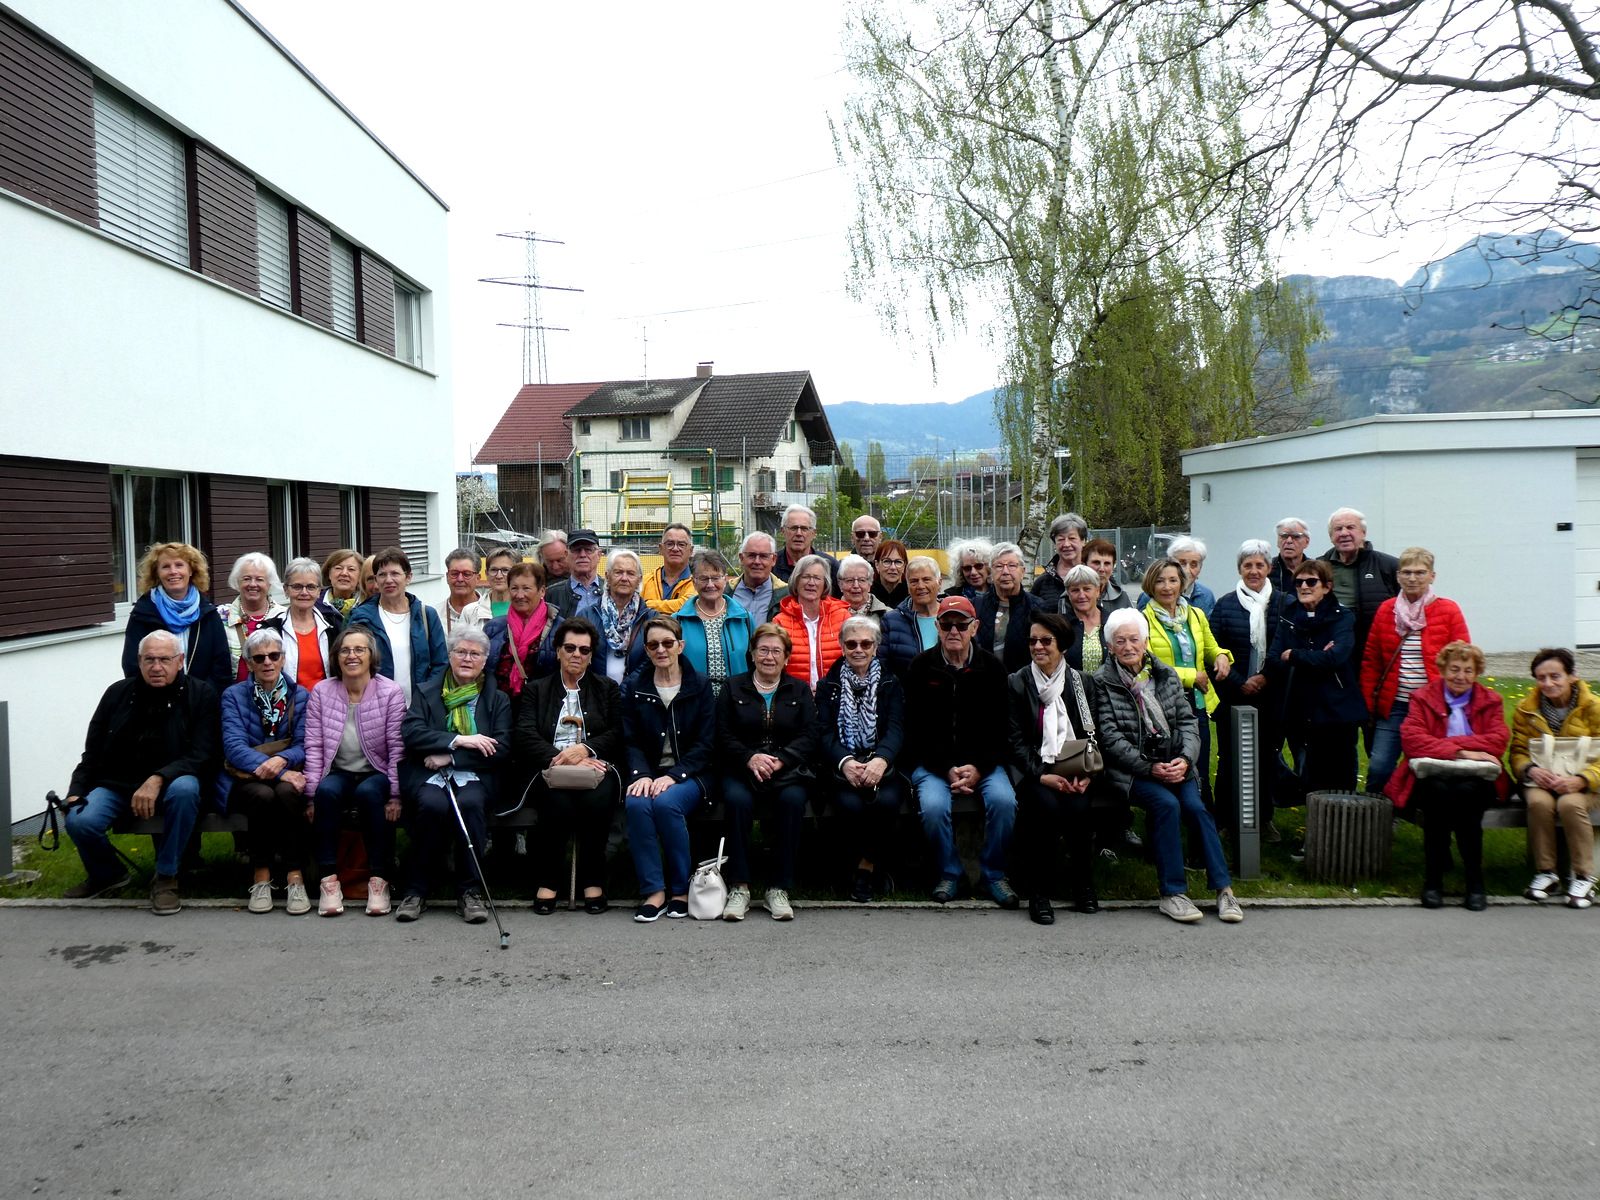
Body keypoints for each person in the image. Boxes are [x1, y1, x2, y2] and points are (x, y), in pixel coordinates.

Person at [1093, 610, 1243, 924]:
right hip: (1132, 772)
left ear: (1146, 642)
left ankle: (1224, 890)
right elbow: (1109, 738)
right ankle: (1172, 893)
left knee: (1196, 808)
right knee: (1166, 805)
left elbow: (1188, 723)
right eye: (1120, 641)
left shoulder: (1166, 675)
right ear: (1110, 647)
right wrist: (1150, 768)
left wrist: (1185, 760)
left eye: (1134, 639)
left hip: (1175, 764)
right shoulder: (1102, 682)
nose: (1129, 646)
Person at [63, 630, 220, 914]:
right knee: (79, 821)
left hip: (175, 784)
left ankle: (167, 877)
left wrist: (158, 778)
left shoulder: (201, 694)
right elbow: (93, 751)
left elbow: (203, 754)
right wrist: (75, 792)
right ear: (138, 661)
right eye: (149, 660)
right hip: (117, 785)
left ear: (180, 661)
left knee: (186, 789)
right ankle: (108, 875)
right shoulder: (117, 693)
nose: (156, 667)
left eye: (164, 659)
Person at [904, 595, 1018, 907]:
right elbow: (914, 729)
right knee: (932, 807)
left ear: (975, 627)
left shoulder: (993, 669)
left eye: (961, 624)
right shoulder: (920, 667)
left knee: (1004, 802)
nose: (953, 631)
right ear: (937, 627)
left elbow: (1000, 729)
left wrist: (978, 767)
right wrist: (946, 768)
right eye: (946, 624)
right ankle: (949, 872)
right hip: (934, 765)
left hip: (984, 764)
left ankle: (993, 874)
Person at [395, 626, 513, 924]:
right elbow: (411, 733)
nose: (467, 658)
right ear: (450, 655)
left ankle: (469, 891)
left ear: (485, 660)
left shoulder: (496, 698)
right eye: (461, 651)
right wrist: (458, 740)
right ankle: (417, 890)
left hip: (476, 775)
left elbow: (501, 749)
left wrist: (451, 755)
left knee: (471, 805)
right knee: (432, 805)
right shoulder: (427, 691)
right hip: (429, 774)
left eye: (475, 654)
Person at [1384, 642, 1508, 911]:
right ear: (1442, 669)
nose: (1460, 676)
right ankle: (1434, 881)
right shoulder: (1422, 697)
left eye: (1467, 670)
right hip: (1431, 777)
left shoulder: (1491, 700)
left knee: (1465, 795)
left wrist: (1445, 746)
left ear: (1476, 673)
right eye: (1454, 669)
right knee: (1438, 794)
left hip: (1477, 782)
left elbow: (1498, 741)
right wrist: (1466, 752)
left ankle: (1473, 882)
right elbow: (1413, 740)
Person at [514, 617, 623, 915]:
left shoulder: (607, 689)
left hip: (595, 766)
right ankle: (548, 880)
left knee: (597, 801)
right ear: (558, 650)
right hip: (549, 767)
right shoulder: (537, 690)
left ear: (591, 655)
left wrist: (586, 750)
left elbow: (616, 732)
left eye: (584, 650)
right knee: (557, 804)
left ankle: (592, 879)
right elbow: (524, 732)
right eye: (570, 648)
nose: (577, 654)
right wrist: (558, 757)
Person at [1008, 612, 1106, 925]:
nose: (1038, 646)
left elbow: (1094, 731)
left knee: (1079, 809)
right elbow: (1015, 740)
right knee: (1045, 808)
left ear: (1061, 645)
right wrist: (1041, 774)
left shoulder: (1081, 682)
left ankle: (1083, 884)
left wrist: (1085, 774)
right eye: (1033, 640)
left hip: (1073, 764)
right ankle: (1039, 892)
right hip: (1035, 768)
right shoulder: (1018, 682)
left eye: (1046, 641)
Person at [303, 626, 407, 917]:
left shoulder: (389, 692)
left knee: (370, 794)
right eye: (345, 650)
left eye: (359, 649)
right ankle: (329, 880)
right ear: (336, 657)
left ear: (371, 655)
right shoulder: (322, 692)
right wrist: (310, 796)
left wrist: (396, 795)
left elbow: (397, 748)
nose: (352, 655)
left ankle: (379, 879)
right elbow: (313, 745)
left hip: (377, 771)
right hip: (338, 771)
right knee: (326, 793)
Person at [716, 623, 817, 921]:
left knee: (793, 801)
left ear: (786, 657)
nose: (769, 657)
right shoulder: (733, 687)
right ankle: (740, 887)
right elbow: (722, 733)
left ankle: (778, 887)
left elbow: (810, 734)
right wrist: (749, 757)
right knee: (737, 802)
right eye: (763, 650)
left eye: (776, 651)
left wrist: (782, 759)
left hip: (788, 771)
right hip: (742, 769)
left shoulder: (798, 689)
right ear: (752, 654)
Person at [621, 616, 716, 922]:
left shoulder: (700, 686)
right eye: (653, 645)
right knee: (636, 804)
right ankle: (654, 890)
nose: (660, 649)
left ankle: (679, 889)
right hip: (649, 771)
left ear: (680, 645)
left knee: (665, 804)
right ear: (646, 650)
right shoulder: (636, 686)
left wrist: (674, 776)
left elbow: (706, 744)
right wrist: (643, 775)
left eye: (667, 643)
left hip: (692, 773)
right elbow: (630, 739)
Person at [1359, 547, 1471, 796]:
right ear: (1398, 576)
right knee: (1379, 767)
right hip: (1394, 704)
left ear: (1432, 576)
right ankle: (1376, 818)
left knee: (1433, 766)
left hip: (1434, 706)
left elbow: (1465, 660)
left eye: (1420, 572)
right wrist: (1369, 703)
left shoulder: (1449, 610)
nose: (1412, 578)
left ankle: (1423, 813)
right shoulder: (1386, 610)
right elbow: (1371, 662)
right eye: (1407, 572)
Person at [815, 615, 907, 902]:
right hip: (844, 764)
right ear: (842, 646)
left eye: (866, 643)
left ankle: (866, 868)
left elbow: (896, 727)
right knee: (849, 804)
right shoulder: (829, 684)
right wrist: (845, 762)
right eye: (851, 643)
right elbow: (824, 732)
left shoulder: (891, 681)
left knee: (888, 802)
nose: (858, 649)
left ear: (876, 646)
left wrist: (881, 760)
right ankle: (854, 868)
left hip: (882, 764)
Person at [221, 628, 311, 915]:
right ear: (249, 662)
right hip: (247, 778)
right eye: (259, 658)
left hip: (288, 771)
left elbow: (305, 743)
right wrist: (279, 770)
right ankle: (261, 874)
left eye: (274, 655)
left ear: (283, 659)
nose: (267, 663)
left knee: (288, 793)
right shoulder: (233, 696)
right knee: (262, 795)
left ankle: (295, 875)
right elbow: (234, 747)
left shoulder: (301, 695)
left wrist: (282, 761)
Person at [1267, 558, 1368, 803]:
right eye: (1299, 582)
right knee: (1313, 777)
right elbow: (1274, 659)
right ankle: (1317, 835)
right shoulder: (1289, 616)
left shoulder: (1342, 617)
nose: (1304, 586)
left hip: (1337, 709)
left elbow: (1336, 656)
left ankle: (1343, 833)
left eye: (1311, 581)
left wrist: (1295, 655)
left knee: (1342, 776)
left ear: (1327, 586)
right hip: (1303, 708)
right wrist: (1317, 655)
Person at [1208, 540, 1288, 839]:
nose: (1253, 571)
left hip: (1271, 694)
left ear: (1269, 568)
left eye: (1259, 565)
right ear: (1239, 569)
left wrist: (1265, 677)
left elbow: (1284, 644)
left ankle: (1263, 819)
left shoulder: (1282, 602)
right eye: (1247, 565)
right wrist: (1240, 681)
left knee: (1266, 757)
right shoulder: (1226, 604)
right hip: (1233, 694)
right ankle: (1226, 820)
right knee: (1230, 759)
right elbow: (1213, 648)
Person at [1140, 556, 1232, 814]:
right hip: (1162, 707)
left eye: (1172, 580)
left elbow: (1211, 647)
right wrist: (1192, 676)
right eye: (1160, 581)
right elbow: (1147, 664)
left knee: (1199, 767)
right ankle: (1169, 818)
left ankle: (1202, 826)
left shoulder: (1195, 614)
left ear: (1182, 583)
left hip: (1197, 703)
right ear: (1150, 585)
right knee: (1168, 768)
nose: (1167, 587)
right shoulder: (1143, 619)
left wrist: (1223, 657)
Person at [1511, 648, 1600, 907]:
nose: (1548, 683)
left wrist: (1583, 779)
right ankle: (1546, 873)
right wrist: (1531, 770)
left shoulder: (1594, 707)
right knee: (1540, 803)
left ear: (1572, 676)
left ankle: (1583, 876)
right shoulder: (1526, 709)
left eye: (1555, 676)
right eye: (1541, 678)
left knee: (1570, 804)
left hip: (1585, 782)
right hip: (1541, 779)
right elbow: (1516, 751)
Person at [120, 541, 231, 698]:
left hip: (200, 704)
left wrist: (201, 698)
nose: (173, 572)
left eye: (179, 565)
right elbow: (132, 665)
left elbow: (221, 667)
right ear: (157, 573)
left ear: (191, 570)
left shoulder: (208, 613)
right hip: (155, 704)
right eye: (165, 567)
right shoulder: (143, 613)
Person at [347, 546, 447, 706]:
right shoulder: (361, 618)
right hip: (375, 709)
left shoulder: (426, 615)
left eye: (395, 573)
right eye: (382, 575)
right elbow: (352, 662)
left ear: (408, 577)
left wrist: (426, 697)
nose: (388, 580)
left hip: (419, 708)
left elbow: (440, 663)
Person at [1318, 506, 1399, 666]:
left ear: (1363, 533)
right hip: (1330, 648)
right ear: (1331, 536)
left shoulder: (1389, 565)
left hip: (1373, 650)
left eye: (1350, 527)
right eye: (1338, 529)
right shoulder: (1318, 567)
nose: (1344, 533)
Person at [482, 561, 558, 718]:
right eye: (514, 588)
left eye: (526, 588)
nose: (519, 595)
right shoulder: (495, 627)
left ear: (542, 591)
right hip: (500, 711)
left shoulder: (559, 628)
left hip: (542, 712)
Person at [674, 548, 752, 698]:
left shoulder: (745, 618)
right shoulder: (678, 620)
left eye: (716, 578)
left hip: (737, 701)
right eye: (703, 578)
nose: (710, 585)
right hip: (695, 701)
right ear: (693, 581)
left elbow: (753, 662)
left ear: (725, 579)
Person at [774, 553, 848, 690]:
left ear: (825, 583)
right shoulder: (780, 622)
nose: (811, 583)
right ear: (796, 581)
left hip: (835, 698)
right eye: (806, 577)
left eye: (817, 578)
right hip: (795, 698)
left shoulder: (843, 617)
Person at [577, 549, 651, 684]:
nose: (624, 578)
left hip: (635, 695)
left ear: (639, 579)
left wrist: (626, 689)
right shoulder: (586, 616)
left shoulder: (650, 619)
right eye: (618, 572)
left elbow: (650, 662)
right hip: (596, 694)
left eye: (631, 573)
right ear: (607, 576)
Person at [268, 557, 341, 693]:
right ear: (286, 590)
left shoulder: (333, 625)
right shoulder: (272, 629)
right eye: (297, 586)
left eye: (311, 587)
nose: (304, 593)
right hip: (289, 708)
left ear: (319, 591)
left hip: (325, 706)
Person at [218, 552, 286, 681]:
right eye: (247, 578)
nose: (253, 584)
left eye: (259, 579)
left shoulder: (284, 616)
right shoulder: (220, 616)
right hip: (234, 697)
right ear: (238, 582)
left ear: (269, 584)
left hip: (276, 696)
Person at [879, 555, 944, 676]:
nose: (920, 586)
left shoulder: (954, 616)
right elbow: (883, 667)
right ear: (908, 587)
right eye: (914, 581)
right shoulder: (891, 621)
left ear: (939, 583)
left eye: (926, 580)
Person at [976, 541, 1035, 671]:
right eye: (998, 566)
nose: (1005, 572)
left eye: (1012, 566)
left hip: (1023, 684)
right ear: (990, 572)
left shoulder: (1038, 608)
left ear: (1023, 571)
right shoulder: (976, 606)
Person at [774, 503, 838, 592]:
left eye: (804, 529)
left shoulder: (830, 566)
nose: (799, 533)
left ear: (814, 533)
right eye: (793, 528)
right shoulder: (771, 564)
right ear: (783, 531)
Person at [1031, 512, 1088, 610]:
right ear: (1054, 543)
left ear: (1083, 541)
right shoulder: (1043, 582)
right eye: (1061, 539)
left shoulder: (1095, 576)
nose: (1066, 544)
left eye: (1072, 538)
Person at [546, 529, 604, 618]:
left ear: (599, 555)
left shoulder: (612, 591)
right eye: (576, 550)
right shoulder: (551, 595)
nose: (582, 555)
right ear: (566, 555)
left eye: (588, 550)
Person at [732, 531, 789, 623]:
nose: (757, 562)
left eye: (763, 556)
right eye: (751, 555)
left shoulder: (787, 596)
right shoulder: (725, 593)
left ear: (774, 559)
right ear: (741, 558)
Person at [641, 523, 697, 613]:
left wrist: (648, 604)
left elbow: (689, 605)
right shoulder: (645, 581)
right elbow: (634, 606)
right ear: (661, 548)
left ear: (691, 550)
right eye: (670, 544)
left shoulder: (699, 581)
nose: (675, 549)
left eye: (681, 544)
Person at [437, 547, 487, 634]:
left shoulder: (488, 612)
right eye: (454, 574)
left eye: (466, 574)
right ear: (447, 577)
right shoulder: (435, 615)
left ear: (478, 578)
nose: (460, 579)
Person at [1164, 537, 1216, 617]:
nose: (1187, 570)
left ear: (1200, 568)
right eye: (1182, 563)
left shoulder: (1206, 596)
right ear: (1170, 563)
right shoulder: (1152, 595)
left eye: (1194, 565)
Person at [1081, 537, 1132, 616]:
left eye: (1107, 563)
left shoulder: (1122, 598)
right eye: (1096, 562)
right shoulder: (1071, 597)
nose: (1102, 569)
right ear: (1084, 564)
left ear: (1113, 566)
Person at [837, 553, 889, 628]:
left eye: (861, 580)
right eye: (849, 580)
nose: (856, 585)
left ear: (870, 584)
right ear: (840, 584)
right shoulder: (828, 615)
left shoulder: (888, 615)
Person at [1268, 517, 1311, 595]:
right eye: (1284, 536)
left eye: (1296, 536)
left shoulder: (1316, 570)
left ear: (1307, 542)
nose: (1289, 541)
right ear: (1277, 541)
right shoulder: (1267, 569)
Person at [320, 548, 365, 623]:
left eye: (351, 569)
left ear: (360, 576)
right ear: (329, 574)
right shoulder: (314, 605)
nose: (344, 573)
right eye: (338, 568)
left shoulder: (368, 604)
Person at [946, 537, 992, 602]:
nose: (973, 572)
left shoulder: (1002, 594)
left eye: (979, 566)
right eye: (967, 568)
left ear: (988, 567)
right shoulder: (951, 598)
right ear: (960, 570)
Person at [480, 547, 518, 619]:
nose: (499, 576)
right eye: (494, 570)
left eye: (505, 570)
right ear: (486, 574)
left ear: (517, 574)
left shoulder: (529, 609)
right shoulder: (470, 612)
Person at [872, 539, 910, 609]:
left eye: (898, 562)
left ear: (904, 566)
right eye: (887, 561)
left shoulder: (911, 594)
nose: (893, 567)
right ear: (877, 565)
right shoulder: (868, 593)